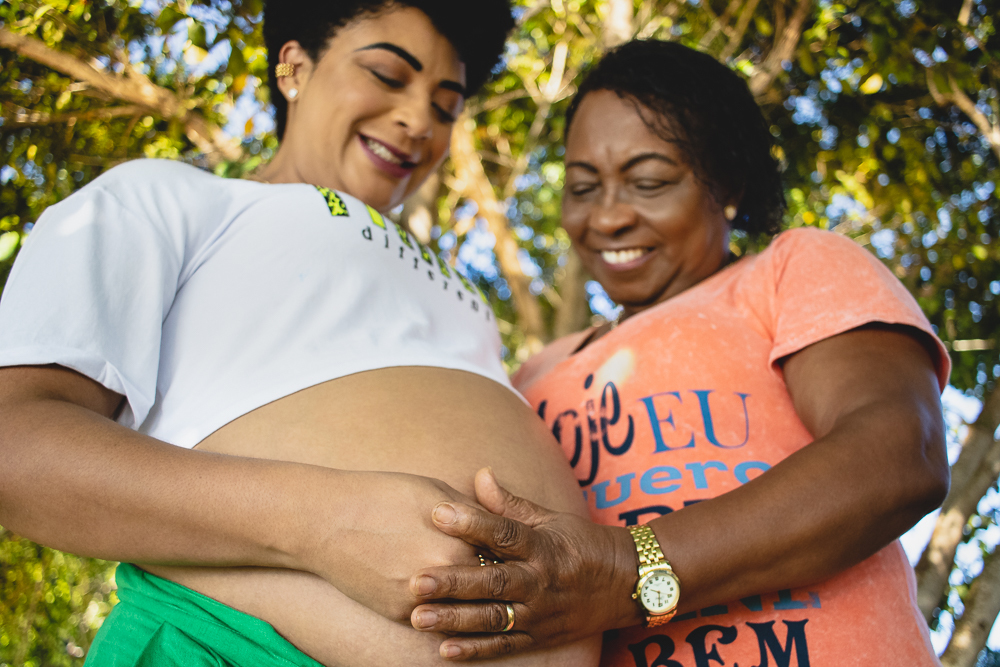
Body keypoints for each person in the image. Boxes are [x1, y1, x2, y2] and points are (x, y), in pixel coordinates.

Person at [0, 2, 601, 665]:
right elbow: (14, 443)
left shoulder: (468, 300)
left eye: (446, 103)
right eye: (386, 74)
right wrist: (320, 522)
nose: (419, 119)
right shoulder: (173, 199)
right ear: (294, 67)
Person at [406, 40, 951, 666]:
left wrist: (625, 572)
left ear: (727, 184)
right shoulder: (532, 374)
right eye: (583, 187)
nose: (607, 217)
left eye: (649, 182)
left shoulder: (789, 270)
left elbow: (898, 452)